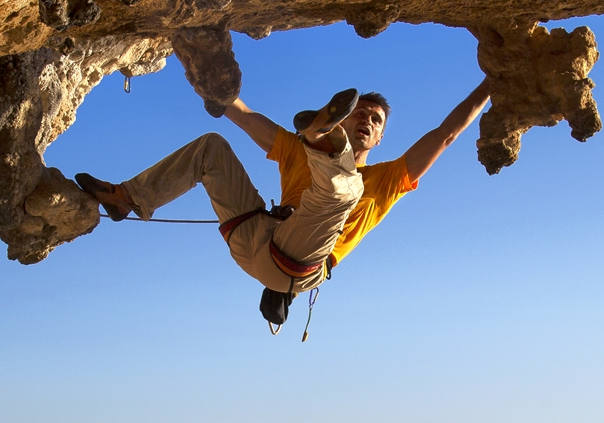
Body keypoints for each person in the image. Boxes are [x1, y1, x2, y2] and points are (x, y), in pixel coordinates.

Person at [75, 78, 491, 325]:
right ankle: (127, 198)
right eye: (359, 113)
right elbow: (237, 111)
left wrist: (493, 81)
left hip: (298, 262)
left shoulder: (385, 180)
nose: (367, 118)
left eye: (375, 119)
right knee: (210, 148)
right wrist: (202, 70)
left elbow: (445, 134)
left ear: (380, 138)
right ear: (343, 118)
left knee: (344, 190)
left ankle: (321, 139)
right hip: (257, 237)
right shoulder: (292, 151)